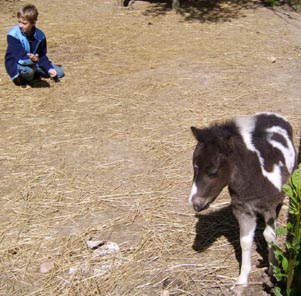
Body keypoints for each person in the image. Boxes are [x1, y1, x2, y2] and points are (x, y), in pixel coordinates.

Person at [4, 4, 64, 89]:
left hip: (34, 62)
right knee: (27, 70)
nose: (20, 25)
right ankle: (22, 79)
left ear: (34, 22)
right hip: (18, 63)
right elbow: (19, 57)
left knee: (59, 72)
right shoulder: (12, 35)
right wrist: (31, 59)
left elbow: (42, 55)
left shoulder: (40, 36)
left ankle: (34, 73)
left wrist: (49, 69)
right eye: (19, 22)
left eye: (24, 23)